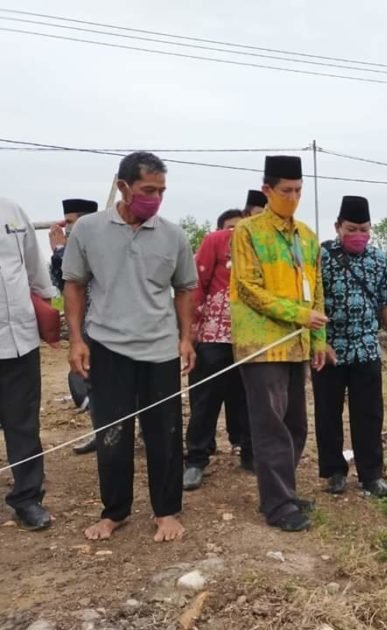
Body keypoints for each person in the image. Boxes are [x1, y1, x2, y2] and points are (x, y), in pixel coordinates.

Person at [62, 151, 198, 543]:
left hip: (160, 349)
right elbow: (74, 284)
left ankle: (166, 510)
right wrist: (76, 340)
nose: (155, 198)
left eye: (161, 191)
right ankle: (114, 512)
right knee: (112, 433)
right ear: (123, 186)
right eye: (147, 190)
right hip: (107, 347)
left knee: (165, 433)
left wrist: (185, 338)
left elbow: (184, 289)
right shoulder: (88, 229)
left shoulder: (173, 235)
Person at [230, 155, 328, 532]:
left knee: (295, 424)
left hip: (297, 344)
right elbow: (248, 287)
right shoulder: (248, 232)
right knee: (270, 426)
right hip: (262, 345)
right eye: (286, 190)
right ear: (267, 190)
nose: (293, 197)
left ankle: (283, 491)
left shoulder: (307, 236)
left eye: (299, 190)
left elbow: (316, 290)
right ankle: (278, 504)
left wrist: (318, 339)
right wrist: (298, 315)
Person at [313, 196, 387, 498]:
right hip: (329, 349)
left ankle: (371, 474)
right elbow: (310, 301)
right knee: (328, 412)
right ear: (337, 227)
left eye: (364, 229)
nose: (358, 235)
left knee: (369, 414)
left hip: (365, 347)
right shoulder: (321, 256)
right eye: (351, 229)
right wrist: (318, 341)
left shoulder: (378, 259)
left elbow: (386, 302)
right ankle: (334, 472)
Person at [183, 209, 251, 491]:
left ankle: (249, 452)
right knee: (205, 400)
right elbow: (196, 286)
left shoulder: (261, 244)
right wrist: (191, 331)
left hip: (251, 337)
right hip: (214, 334)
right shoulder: (215, 241)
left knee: (247, 398)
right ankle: (196, 459)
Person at [0, 197, 57, 531]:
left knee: (23, 423)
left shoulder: (12, 211)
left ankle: (27, 498)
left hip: (19, 339)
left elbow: (35, 269)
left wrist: (44, 311)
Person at [49, 198, 99, 456]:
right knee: (88, 379)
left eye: (70, 222)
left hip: (103, 324)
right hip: (85, 325)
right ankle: (102, 432)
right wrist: (59, 252)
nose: (65, 227)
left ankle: (142, 434)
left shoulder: (98, 242)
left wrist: (60, 251)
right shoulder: (71, 248)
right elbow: (63, 284)